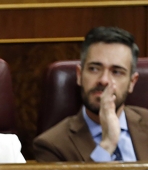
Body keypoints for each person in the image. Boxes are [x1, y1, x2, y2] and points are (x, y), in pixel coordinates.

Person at [33, 26, 148, 162]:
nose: (104, 80)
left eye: (116, 72)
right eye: (94, 69)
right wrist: (107, 145)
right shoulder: (52, 145)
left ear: (132, 82)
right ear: (80, 75)